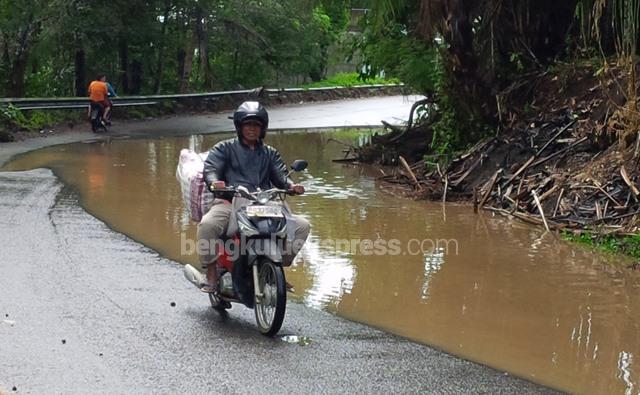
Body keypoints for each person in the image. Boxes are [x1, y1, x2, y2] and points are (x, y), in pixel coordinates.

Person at [189, 101, 310, 301]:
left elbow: (281, 175)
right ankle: (211, 273)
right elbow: (211, 169)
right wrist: (215, 182)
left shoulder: (270, 153)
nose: (252, 129)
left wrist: (290, 185)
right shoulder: (224, 148)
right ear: (239, 127)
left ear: (263, 128)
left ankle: (274, 268)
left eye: (256, 125)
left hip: (264, 205)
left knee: (302, 226)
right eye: (248, 125)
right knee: (207, 225)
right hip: (230, 203)